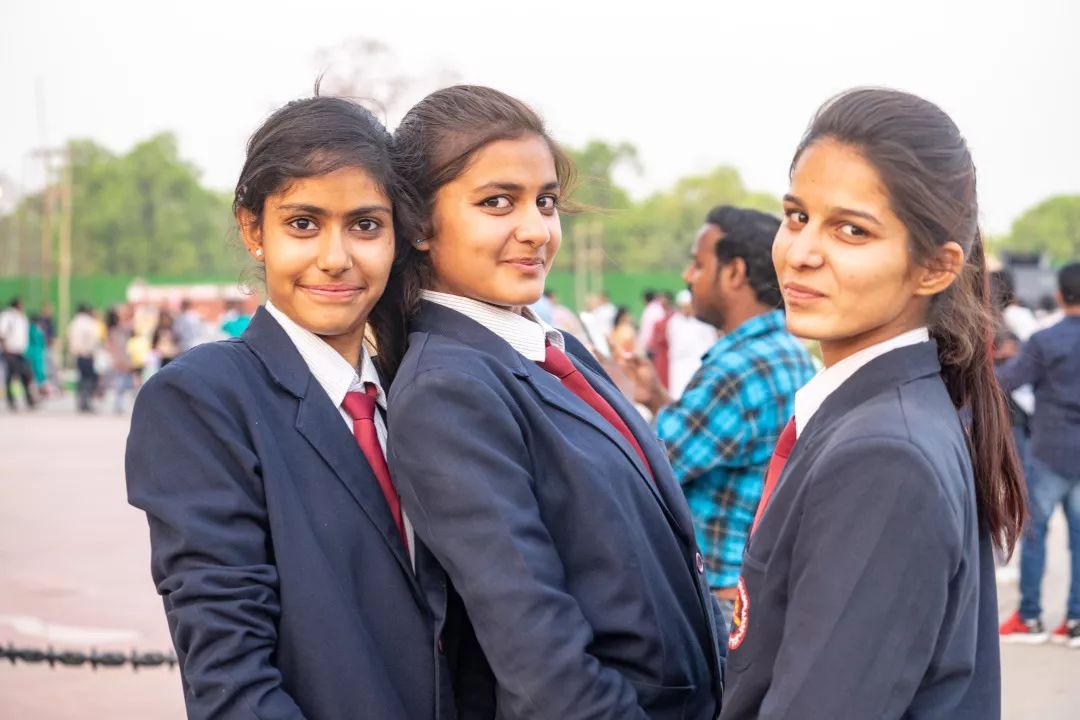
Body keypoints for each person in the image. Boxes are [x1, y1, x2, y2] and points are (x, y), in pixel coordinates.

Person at [387, 85, 724, 719]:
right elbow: (542, 659)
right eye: (497, 202)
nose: (536, 230)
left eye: (545, 201)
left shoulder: (551, 349)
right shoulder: (447, 391)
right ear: (419, 225)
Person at [126, 95, 457, 720]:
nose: (335, 257)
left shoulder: (418, 390)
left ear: (398, 236)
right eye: (303, 223)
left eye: (365, 225)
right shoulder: (203, 399)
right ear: (254, 230)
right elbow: (231, 681)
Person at [718, 89, 1026, 720]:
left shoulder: (884, 455)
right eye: (797, 216)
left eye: (851, 230)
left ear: (934, 268)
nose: (800, 252)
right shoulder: (881, 414)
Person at [623, 207, 816, 633]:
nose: (688, 276)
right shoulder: (785, 351)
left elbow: (644, 469)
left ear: (734, 273)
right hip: (751, 592)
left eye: (698, 264)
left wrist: (605, 400)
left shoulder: (738, 369)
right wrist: (657, 399)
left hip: (718, 602)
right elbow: (719, 439)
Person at [998, 262, 1080, 648]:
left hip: (1049, 450)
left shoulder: (1044, 341)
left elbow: (1007, 381)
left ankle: (1029, 618)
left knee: (1034, 537)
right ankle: (1075, 620)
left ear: (1060, 295)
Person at [666, 289, 717, 399]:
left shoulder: (703, 322)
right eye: (683, 306)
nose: (685, 309)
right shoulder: (674, 322)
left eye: (687, 306)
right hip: (678, 365)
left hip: (697, 363)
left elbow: (710, 342)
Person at [0, 297, 36, 410]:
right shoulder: (7, 316)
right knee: (11, 376)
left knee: (26, 375)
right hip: (10, 350)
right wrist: (5, 347)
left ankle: (29, 399)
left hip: (21, 351)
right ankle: (11, 400)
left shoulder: (22, 317)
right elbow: (2, 332)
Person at [67, 303, 100, 413]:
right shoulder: (88, 323)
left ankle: (81, 402)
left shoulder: (74, 323)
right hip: (87, 354)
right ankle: (86, 402)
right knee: (88, 379)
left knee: (81, 379)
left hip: (78, 354)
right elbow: (94, 339)